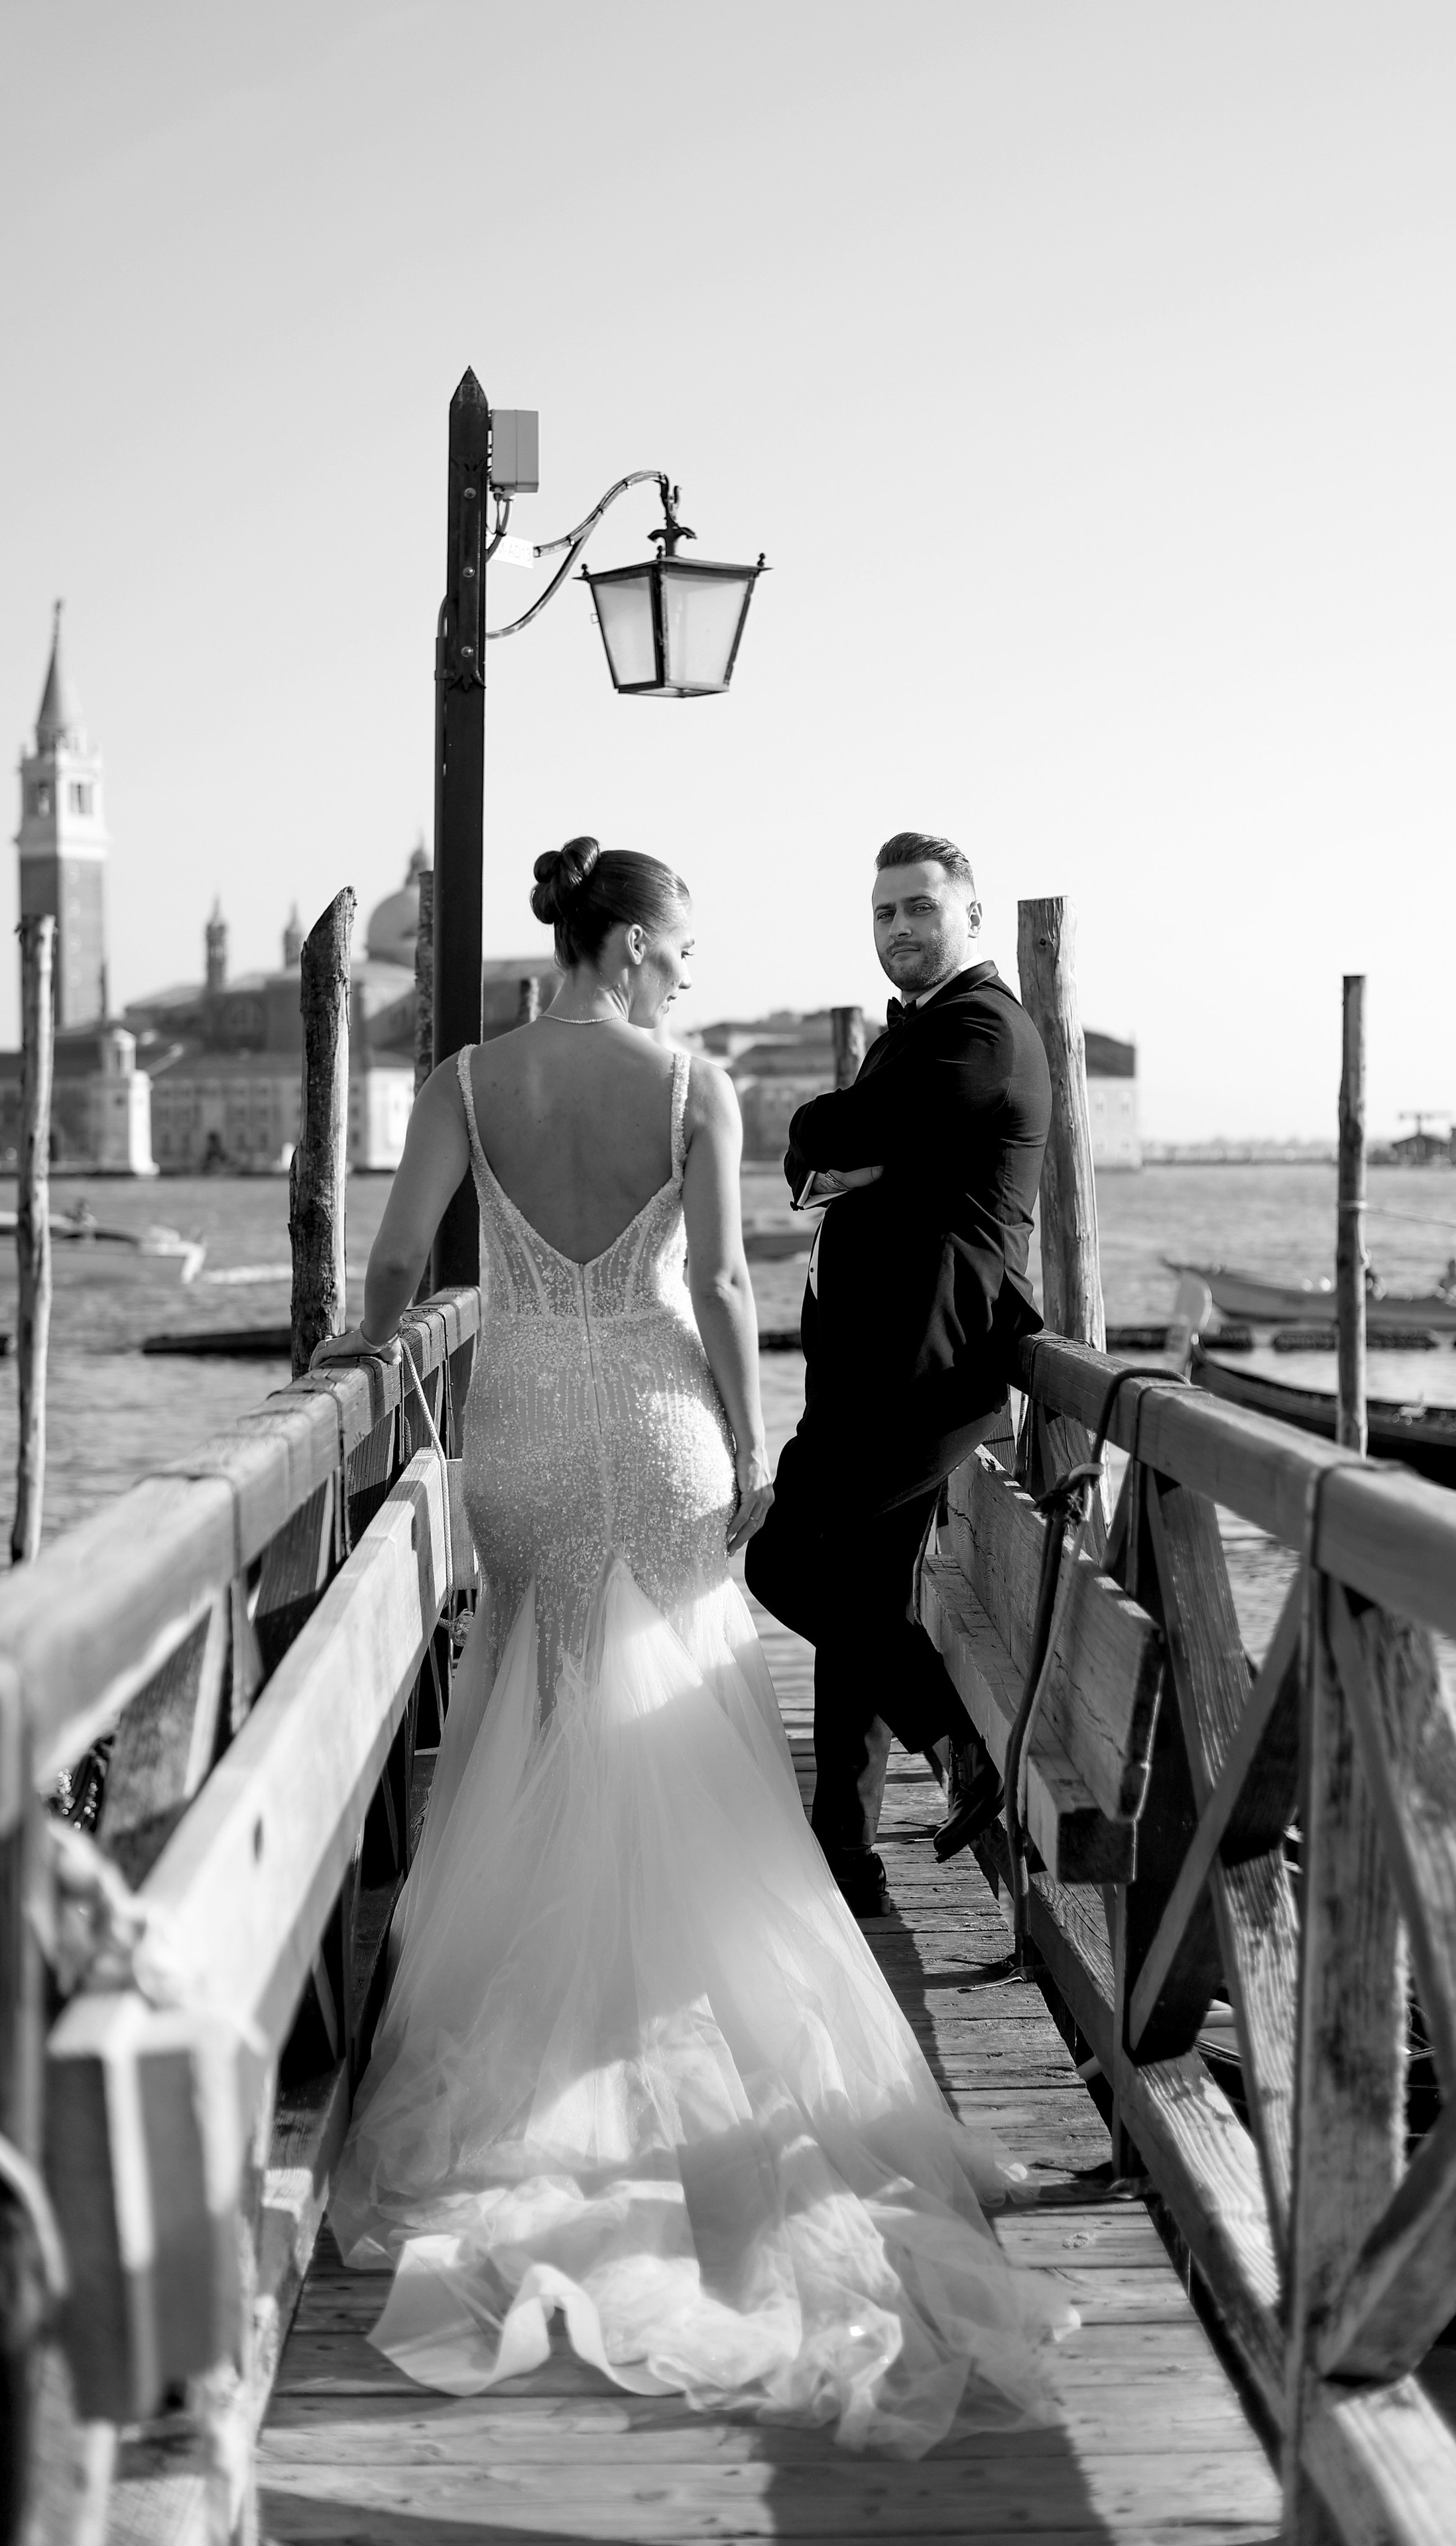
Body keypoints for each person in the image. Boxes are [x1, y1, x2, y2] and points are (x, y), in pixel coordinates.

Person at [314, 837, 1075, 2451]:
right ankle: (678, 2037)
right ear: (641, 946)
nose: (689, 971)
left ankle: (530, 2036)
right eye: (682, 947)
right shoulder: (695, 1088)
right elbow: (725, 1280)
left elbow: (396, 1264)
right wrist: (742, 1447)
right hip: (657, 1422)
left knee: (539, 1693)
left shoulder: (464, 1075)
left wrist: (361, 1362)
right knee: (674, 1705)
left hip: (517, 1424)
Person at [744, 833, 1051, 1917]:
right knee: (858, 1597)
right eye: (883, 915)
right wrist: (838, 1140)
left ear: (972, 914)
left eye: (920, 908)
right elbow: (817, 1151)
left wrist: (842, 1136)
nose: (900, 930)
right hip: (875, 1373)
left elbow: (840, 1131)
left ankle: (958, 1744)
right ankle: (847, 1858)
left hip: (928, 1370)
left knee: (785, 1565)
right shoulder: (918, 1040)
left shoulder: (982, 1031)